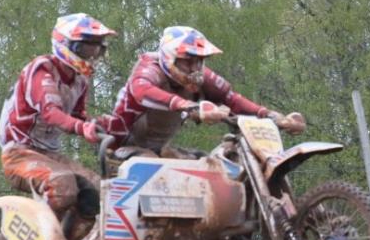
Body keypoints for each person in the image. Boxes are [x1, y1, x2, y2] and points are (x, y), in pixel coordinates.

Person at [0, 13, 116, 240]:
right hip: (19, 153)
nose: (91, 56)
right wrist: (82, 126)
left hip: (50, 154)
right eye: (86, 48)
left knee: (97, 189)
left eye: (96, 49)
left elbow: (76, 117)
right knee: (62, 184)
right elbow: (50, 113)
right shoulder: (42, 70)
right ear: (66, 45)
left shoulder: (79, 80)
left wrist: (100, 123)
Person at [103, 26, 305, 157]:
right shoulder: (150, 68)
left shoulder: (202, 77)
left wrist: (270, 115)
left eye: (199, 61)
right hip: (123, 148)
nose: (194, 68)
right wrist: (190, 106)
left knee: (211, 164)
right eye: (187, 61)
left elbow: (232, 99)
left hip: (160, 149)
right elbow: (142, 90)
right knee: (155, 166)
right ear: (169, 58)